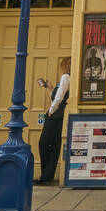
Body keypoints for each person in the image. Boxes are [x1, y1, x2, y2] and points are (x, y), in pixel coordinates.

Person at [36, 57, 71, 185]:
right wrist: (50, 89)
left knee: (44, 143)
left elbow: (59, 97)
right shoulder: (70, 78)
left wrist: (51, 110)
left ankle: (45, 176)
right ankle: (46, 176)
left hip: (55, 115)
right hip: (61, 115)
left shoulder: (65, 78)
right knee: (55, 145)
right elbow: (58, 95)